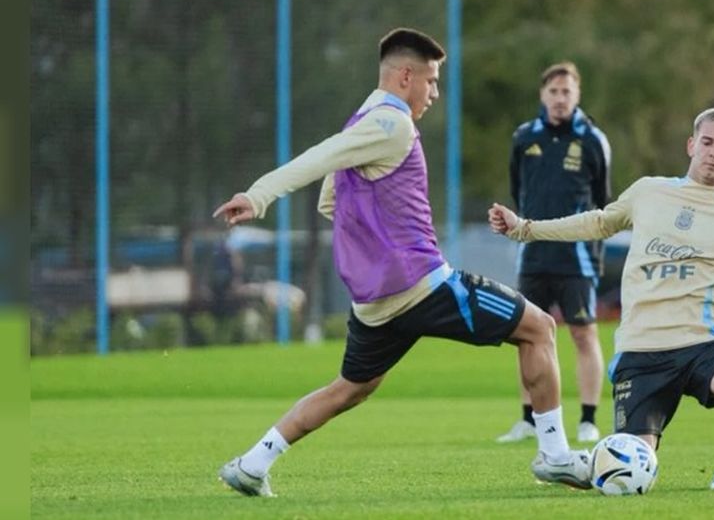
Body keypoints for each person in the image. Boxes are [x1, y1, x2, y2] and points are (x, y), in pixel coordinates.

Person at [212, 28, 591, 497]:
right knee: (538, 329)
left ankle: (253, 463)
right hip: (422, 285)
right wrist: (259, 195)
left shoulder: (363, 120)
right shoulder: (391, 124)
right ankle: (554, 455)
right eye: (431, 81)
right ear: (405, 76)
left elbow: (331, 201)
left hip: (375, 302)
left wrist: (373, 233)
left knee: (350, 388)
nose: (435, 92)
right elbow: (319, 158)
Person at [489, 107, 714, 490]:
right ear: (691, 145)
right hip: (641, 352)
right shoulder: (650, 191)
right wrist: (526, 229)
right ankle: (582, 465)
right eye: (708, 142)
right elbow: (597, 221)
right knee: (632, 468)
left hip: (701, 345)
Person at [497, 62, 611, 445]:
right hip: (532, 256)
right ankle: (529, 419)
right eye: (553, 92)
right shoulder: (523, 137)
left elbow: (603, 202)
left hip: (576, 258)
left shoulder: (593, 140)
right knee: (526, 334)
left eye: (567, 92)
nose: (560, 98)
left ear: (576, 96)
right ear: (542, 95)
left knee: (583, 333)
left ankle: (588, 418)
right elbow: (518, 191)